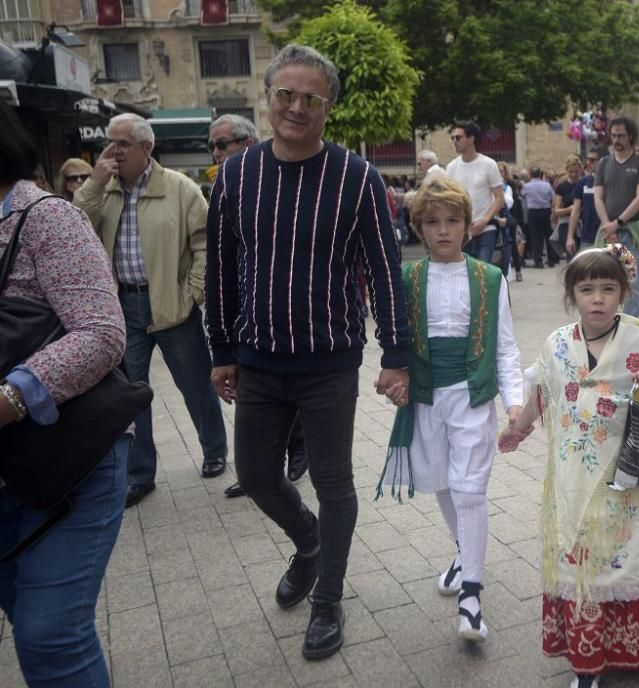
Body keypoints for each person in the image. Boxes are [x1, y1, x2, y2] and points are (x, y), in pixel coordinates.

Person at [204, 44, 410, 661]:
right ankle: (309, 542)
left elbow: (385, 271)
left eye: (310, 98)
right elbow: (220, 270)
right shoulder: (235, 176)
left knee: (333, 480)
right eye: (285, 95)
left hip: (328, 362)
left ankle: (328, 599)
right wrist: (221, 348)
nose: (296, 107)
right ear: (267, 98)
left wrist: (395, 354)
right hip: (258, 360)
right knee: (257, 476)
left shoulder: (358, 179)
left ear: (328, 107)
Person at [499, 245, 639, 688]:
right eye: (587, 289)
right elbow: (543, 391)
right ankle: (587, 662)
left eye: (608, 288)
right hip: (571, 480)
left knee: (622, 559)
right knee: (578, 561)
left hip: (625, 478)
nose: (597, 298)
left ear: (624, 292)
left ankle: (635, 645)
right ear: (572, 296)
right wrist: (518, 430)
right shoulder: (558, 342)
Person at [0, 97, 129, 688]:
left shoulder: (44, 215)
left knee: (49, 635)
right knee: (25, 617)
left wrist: (11, 396)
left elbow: (102, 333)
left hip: (68, 461)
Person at [378, 175, 522, 642]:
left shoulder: (490, 277)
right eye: (433, 222)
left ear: (468, 225)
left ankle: (472, 599)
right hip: (425, 398)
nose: (444, 230)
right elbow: (393, 342)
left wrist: (516, 401)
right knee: (442, 481)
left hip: (471, 396)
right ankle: (465, 552)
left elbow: (506, 348)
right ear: (420, 227)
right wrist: (390, 374)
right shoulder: (407, 276)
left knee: (470, 490)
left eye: (453, 220)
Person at [74, 113, 228, 507]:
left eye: (122, 143)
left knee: (195, 384)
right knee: (131, 395)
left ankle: (214, 450)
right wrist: (93, 184)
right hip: (123, 304)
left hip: (172, 306)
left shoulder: (180, 188)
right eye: (110, 142)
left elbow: (205, 245)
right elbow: (75, 228)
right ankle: (141, 474)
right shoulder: (102, 190)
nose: (113, 151)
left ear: (147, 147)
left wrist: (192, 292)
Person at [206, 114, 310, 500]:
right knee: (250, 396)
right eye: (213, 146)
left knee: (284, 391)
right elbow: (217, 256)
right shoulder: (224, 184)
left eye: (223, 143)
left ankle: (295, 452)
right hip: (237, 309)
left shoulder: (274, 182)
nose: (216, 152)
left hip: (277, 313)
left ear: (247, 143)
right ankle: (258, 471)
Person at [593, 116, 639, 317]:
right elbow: (598, 196)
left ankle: (630, 325)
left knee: (633, 281)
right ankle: (607, 320)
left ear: (631, 136)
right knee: (604, 279)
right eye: (614, 135)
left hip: (632, 231)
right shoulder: (603, 163)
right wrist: (607, 225)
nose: (616, 139)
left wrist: (618, 223)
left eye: (621, 135)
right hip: (608, 232)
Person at [445, 121, 505, 263]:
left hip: (486, 229)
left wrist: (485, 219)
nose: (454, 141)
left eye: (458, 138)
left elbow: (499, 198)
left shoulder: (489, 164)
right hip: (462, 231)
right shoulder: (452, 167)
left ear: (471, 139)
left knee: (482, 272)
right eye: (452, 138)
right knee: (466, 274)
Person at [565, 149, 601, 256]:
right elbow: (575, 211)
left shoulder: (610, 181)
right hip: (587, 236)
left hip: (606, 235)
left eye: (592, 160)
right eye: (588, 160)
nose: (589, 163)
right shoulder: (583, 182)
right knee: (586, 270)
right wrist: (570, 237)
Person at [522, 166, 556, 268]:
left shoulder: (527, 186)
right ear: (541, 174)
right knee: (548, 235)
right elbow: (552, 197)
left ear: (531, 175)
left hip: (533, 212)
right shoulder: (547, 185)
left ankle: (538, 260)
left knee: (536, 237)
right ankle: (551, 259)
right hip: (546, 211)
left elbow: (523, 195)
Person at [553, 155, 583, 262]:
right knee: (572, 256)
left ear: (580, 170)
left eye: (576, 171)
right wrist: (570, 209)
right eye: (571, 172)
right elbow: (556, 211)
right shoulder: (562, 187)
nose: (574, 174)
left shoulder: (584, 183)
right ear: (567, 171)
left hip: (583, 223)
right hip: (566, 224)